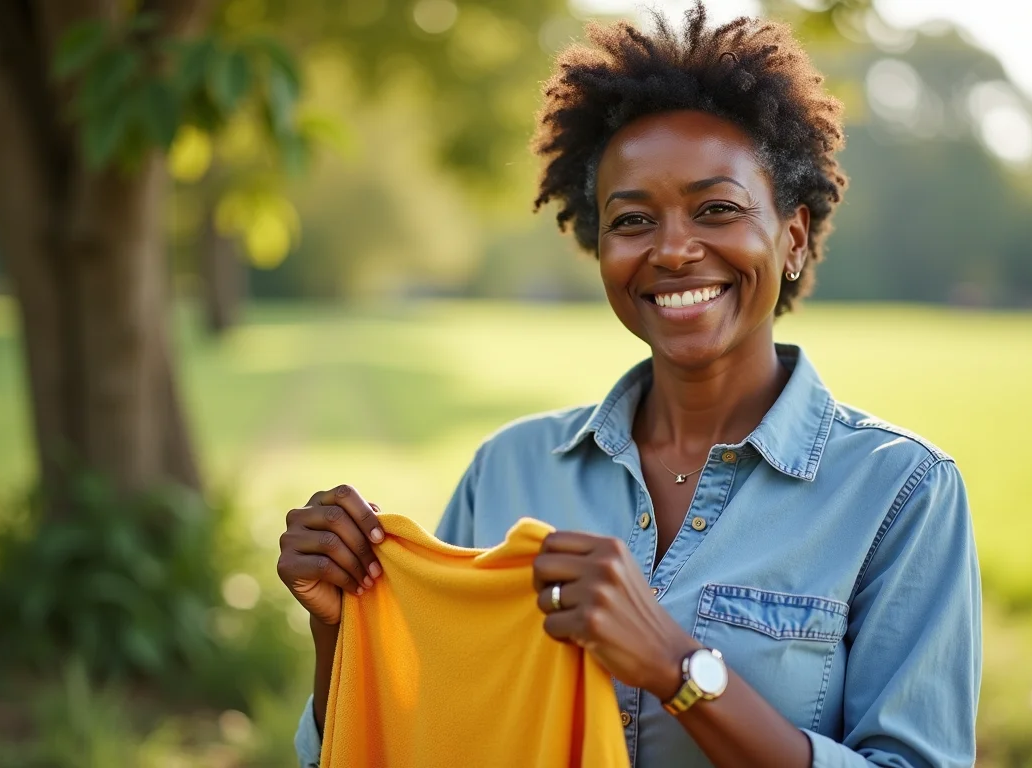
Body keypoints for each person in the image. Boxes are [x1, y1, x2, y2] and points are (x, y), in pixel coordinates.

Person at [280, 5, 981, 766]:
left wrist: (678, 671)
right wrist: (339, 630)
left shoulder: (900, 493)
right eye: (633, 219)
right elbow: (421, 738)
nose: (674, 250)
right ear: (599, 244)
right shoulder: (507, 470)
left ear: (793, 236)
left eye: (717, 208)